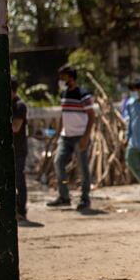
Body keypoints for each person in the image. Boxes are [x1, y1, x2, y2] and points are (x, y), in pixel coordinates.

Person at [47, 65, 96, 211]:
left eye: (63, 77)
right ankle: (64, 196)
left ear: (71, 78)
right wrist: (59, 132)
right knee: (58, 163)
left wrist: (85, 137)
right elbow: (64, 114)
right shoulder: (64, 94)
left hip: (80, 136)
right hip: (65, 136)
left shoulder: (83, 95)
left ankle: (85, 199)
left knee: (83, 169)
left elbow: (92, 116)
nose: (60, 80)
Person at [10, 77, 29, 222]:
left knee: (19, 180)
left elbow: (15, 127)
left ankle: (21, 210)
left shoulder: (19, 106)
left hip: (19, 149)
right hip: (13, 149)